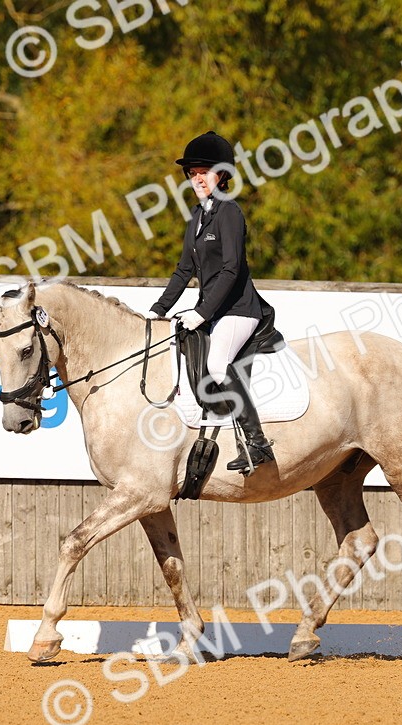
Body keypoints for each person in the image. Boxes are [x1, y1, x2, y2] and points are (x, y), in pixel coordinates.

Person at [146, 130, 276, 472]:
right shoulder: (196, 216)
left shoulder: (230, 213)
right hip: (215, 312)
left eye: (205, 171)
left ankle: (257, 444)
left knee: (218, 364)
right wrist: (158, 308)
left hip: (239, 309)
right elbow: (183, 269)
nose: (198, 178)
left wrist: (201, 312)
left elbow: (232, 270)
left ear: (222, 175)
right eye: (193, 173)